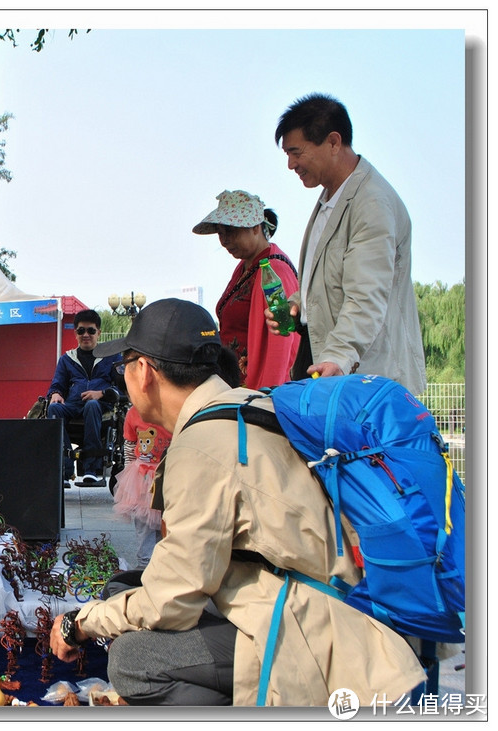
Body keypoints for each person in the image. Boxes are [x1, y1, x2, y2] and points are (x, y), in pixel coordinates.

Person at [49, 298, 425, 705]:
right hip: (315, 598)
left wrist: (78, 623)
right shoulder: (247, 405)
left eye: (125, 365)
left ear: (144, 372)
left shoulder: (201, 448)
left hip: (315, 635)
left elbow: (170, 601)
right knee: (124, 587)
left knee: (132, 658)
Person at [272, 93, 425, 395]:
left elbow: (365, 296)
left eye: (296, 152)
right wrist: (297, 303)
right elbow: (331, 278)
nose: (291, 164)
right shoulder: (332, 196)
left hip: (364, 378)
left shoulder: (371, 203)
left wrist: (338, 356)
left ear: (332, 142)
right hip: (326, 363)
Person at [193, 189, 300, 389]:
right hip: (238, 387)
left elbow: (282, 343)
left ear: (255, 228)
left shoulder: (274, 269)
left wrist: (266, 397)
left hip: (258, 392)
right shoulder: (245, 267)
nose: (224, 240)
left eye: (231, 231)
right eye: (220, 233)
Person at [46, 309, 121, 487]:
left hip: (100, 406)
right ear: (75, 333)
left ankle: (91, 470)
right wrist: (55, 394)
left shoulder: (111, 357)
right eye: (81, 331)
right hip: (73, 404)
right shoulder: (66, 359)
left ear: (99, 333)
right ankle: (64, 471)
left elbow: (121, 387)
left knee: (92, 405)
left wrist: (101, 393)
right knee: (54, 408)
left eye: (91, 330)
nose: (86, 335)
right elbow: (57, 384)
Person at [112, 405, 170, 570]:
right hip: (142, 477)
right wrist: (129, 471)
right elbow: (130, 445)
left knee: (166, 522)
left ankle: (162, 563)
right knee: (144, 523)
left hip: (168, 472)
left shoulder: (173, 409)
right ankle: (145, 564)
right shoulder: (134, 413)